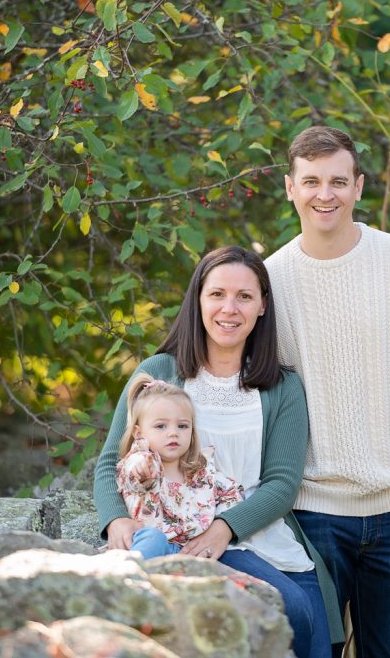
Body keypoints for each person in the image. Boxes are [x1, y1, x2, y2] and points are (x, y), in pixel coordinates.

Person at [265, 126, 390, 658]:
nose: (324, 194)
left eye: (337, 180)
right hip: (312, 515)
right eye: (311, 181)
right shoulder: (270, 281)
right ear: (290, 188)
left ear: (358, 187)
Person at [93, 245, 341, 658]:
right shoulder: (159, 373)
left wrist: (224, 528)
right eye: (217, 294)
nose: (230, 308)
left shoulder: (282, 387)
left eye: (244, 296)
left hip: (255, 532)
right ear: (198, 299)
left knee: (310, 624)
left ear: (262, 306)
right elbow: (108, 463)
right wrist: (116, 519)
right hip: (173, 535)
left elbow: (282, 484)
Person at [115, 373, 244, 559]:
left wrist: (220, 524)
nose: (173, 433)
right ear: (138, 432)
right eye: (161, 426)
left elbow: (232, 494)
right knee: (153, 539)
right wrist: (141, 468)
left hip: (189, 552)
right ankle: (129, 573)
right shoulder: (144, 462)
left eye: (182, 426)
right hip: (152, 546)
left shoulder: (202, 471)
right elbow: (133, 472)